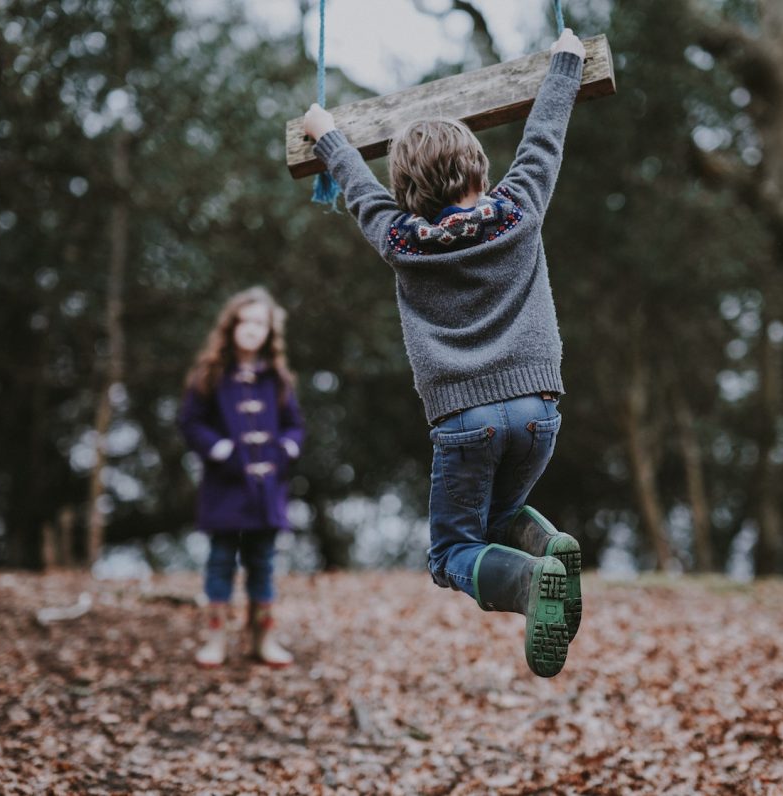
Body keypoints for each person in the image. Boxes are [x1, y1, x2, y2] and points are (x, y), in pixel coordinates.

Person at [302, 29, 586, 677]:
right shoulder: (520, 209)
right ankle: (550, 546)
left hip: (466, 420)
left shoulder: (402, 239)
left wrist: (327, 133)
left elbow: (356, 187)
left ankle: (530, 583)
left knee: (452, 552)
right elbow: (545, 134)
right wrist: (565, 58)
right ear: (480, 167)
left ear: (409, 189)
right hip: (539, 411)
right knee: (501, 515)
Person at [179, 286, 306, 668]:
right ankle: (215, 639)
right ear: (231, 326)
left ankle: (262, 639)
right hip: (224, 488)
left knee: (263, 562)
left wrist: (285, 449)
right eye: (245, 321)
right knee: (220, 561)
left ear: (270, 332)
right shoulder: (210, 374)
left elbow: (295, 426)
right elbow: (190, 421)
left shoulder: (278, 379)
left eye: (260, 324)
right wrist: (221, 450)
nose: (252, 330)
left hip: (267, 491)